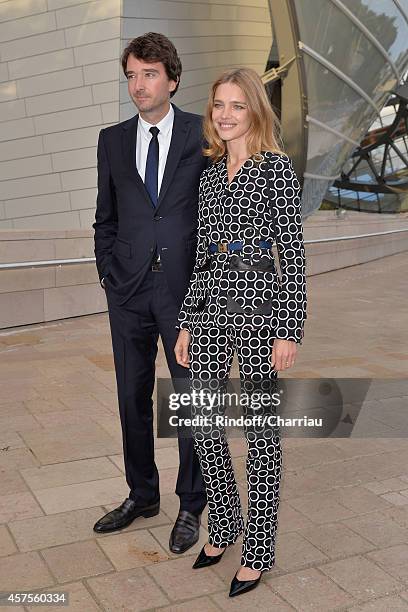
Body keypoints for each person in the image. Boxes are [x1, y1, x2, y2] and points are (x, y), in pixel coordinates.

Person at [174, 67, 307, 597]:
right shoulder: (209, 176)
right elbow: (203, 256)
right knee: (204, 423)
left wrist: (289, 329)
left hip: (258, 308)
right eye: (218, 105)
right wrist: (187, 320)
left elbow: (292, 255)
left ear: (255, 111)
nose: (225, 115)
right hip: (209, 309)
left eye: (236, 106)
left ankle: (259, 544)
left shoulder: (276, 170)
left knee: (260, 435)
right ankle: (225, 519)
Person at [92, 32, 207, 554]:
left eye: (149, 74)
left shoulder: (201, 134)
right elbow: (106, 218)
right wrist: (109, 278)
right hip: (129, 293)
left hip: (186, 293)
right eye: (132, 75)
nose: (139, 85)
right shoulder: (112, 140)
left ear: (172, 79)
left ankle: (190, 503)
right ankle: (142, 494)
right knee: (130, 398)